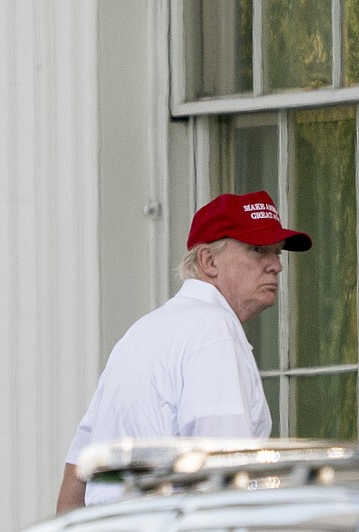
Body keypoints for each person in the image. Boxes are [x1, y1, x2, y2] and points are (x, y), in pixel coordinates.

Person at [55, 190, 312, 514]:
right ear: (208, 260)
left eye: (277, 252)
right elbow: (224, 483)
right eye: (258, 249)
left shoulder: (141, 332)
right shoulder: (215, 330)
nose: (276, 266)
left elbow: (77, 476)